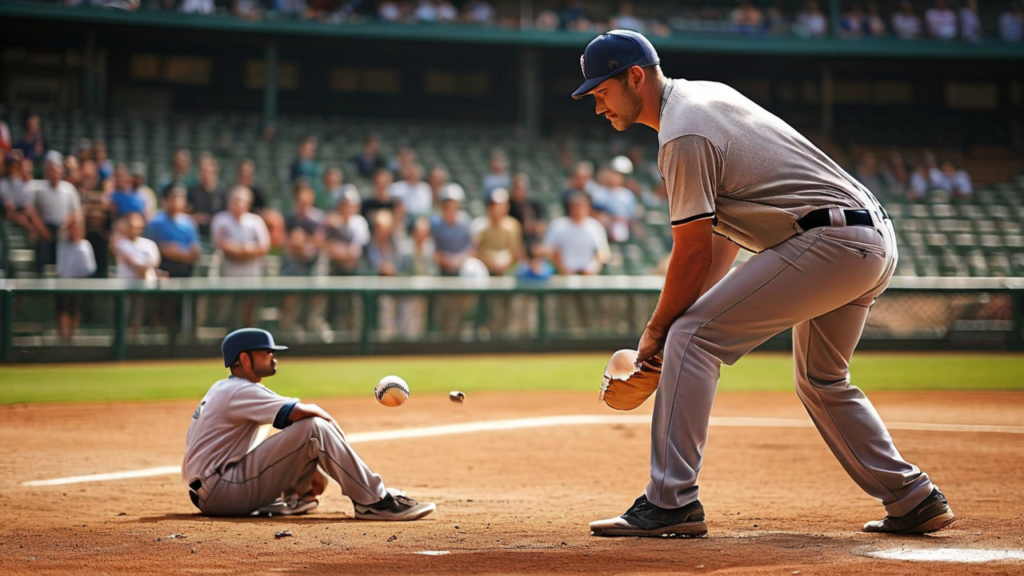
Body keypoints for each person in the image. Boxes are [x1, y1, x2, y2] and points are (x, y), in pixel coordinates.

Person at [571, 30, 953, 537]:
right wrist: (676, 326)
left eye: (601, 91)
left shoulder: (682, 132)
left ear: (634, 77)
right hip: (866, 240)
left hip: (831, 242)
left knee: (692, 338)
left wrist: (659, 331)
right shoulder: (705, 96)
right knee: (821, 379)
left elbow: (692, 255)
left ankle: (670, 503)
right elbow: (721, 242)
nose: (598, 106)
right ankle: (913, 498)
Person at [183, 328, 436, 519]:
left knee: (310, 440)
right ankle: (374, 500)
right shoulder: (239, 391)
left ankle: (293, 497)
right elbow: (305, 414)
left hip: (216, 489)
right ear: (244, 360)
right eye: (265, 351)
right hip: (222, 492)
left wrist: (304, 474)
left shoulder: (226, 388)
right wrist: (333, 437)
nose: (273, 356)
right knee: (314, 427)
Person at [33, 151, 82, 276]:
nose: (53, 173)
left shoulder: (69, 189)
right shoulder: (39, 189)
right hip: (45, 229)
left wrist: (66, 224)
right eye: (50, 169)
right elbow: (32, 211)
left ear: (61, 171)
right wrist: (41, 230)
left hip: (64, 230)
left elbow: (77, 212)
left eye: (55, 169)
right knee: (41, 249)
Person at [544, 192, 608, 275]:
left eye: (582, 205)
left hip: (588, 276)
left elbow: (602, 253)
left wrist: (592, 270)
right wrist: (563, 270)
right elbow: (549, 251)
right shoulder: (558, 225)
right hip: (562, 276)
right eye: (575, 206)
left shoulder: (595, 226)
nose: (578, 209)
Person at [145, 185, 201, 278]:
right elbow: (152, 249)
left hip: (185, 274)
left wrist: (178, 252)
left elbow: (195, 252)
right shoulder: (154, 222)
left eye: (181, 197)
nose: (178, 200)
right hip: (162, 273)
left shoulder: (189, 223)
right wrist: (166, 250)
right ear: (165, 199)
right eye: (174, 196)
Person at [188, 156, 226, 238]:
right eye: (202, 171)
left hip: (217, 234)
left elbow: (226, 215)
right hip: (196, 234)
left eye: (207, 171)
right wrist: (196, 218)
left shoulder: (222, 192)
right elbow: (186, 214)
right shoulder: (192, 191)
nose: (205, 174)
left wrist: (213, 219)